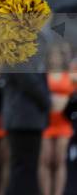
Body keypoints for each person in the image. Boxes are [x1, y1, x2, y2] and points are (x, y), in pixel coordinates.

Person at [39, 47, 75, 195]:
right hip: (46, 122)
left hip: (63, 123)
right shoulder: (43, 76)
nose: (55, 59)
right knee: (46, 160)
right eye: (52, 56)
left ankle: (58, 192)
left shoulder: (70, 76)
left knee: (59, 160)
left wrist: (67, 100)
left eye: (57, 56)